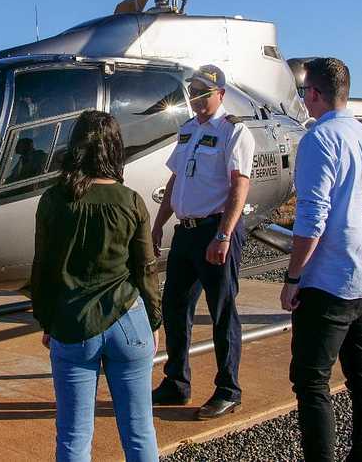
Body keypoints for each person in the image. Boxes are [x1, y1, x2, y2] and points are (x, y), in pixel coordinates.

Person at [31, 110, 161, 462]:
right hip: (128, 320)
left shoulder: (54, 200)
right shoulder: (130, 200)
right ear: (115, 149)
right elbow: (146, 268)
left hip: (73, 325)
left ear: (75, 147)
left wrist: (46, 321)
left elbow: (41, 270)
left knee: (73, 436)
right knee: (139, 431)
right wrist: (154, 320)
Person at [280, 58, 362, 462]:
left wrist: (293, 277)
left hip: (329, 284)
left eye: (304, 92)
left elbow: (311, 217)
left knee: (311, 383)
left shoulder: (318, 140)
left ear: (314, 93)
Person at [150, 64, 255, 420]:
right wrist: (159, 224)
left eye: (204, 92)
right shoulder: (188, 130)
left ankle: (229, 389)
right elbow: (176, 180)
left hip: (215, 230)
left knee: (222, 311)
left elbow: (239, 186)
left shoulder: (234, 132)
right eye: (193, 92)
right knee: (175, 307)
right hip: (186, 231)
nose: (197, 99)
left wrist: (224, 234)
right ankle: (176, 383)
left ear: (220, 94)